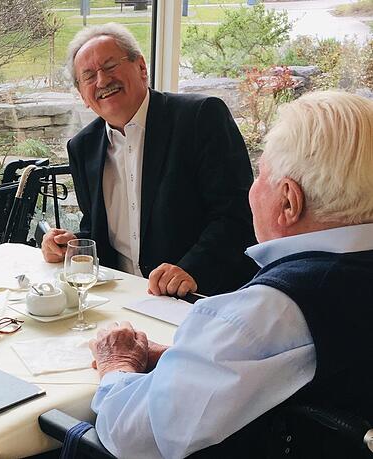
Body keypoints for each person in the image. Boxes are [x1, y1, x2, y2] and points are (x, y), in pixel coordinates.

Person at [87, 91, 373, 458]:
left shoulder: (276, 309)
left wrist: (118, 364)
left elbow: (134, 435)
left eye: (260, 175)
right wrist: (197, 358)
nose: (252, 190)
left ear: (288, 200)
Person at [41, 24, 258, 296]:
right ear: (83, 95)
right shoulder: (82, 146)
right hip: (120, 296)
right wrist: (71, 245)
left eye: (110, 66)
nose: (102, 81)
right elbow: (96, 228)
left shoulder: (200, 117)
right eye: (89, 76)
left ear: (142, 67)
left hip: (199, 297)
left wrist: (191, 269)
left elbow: (236, 215)